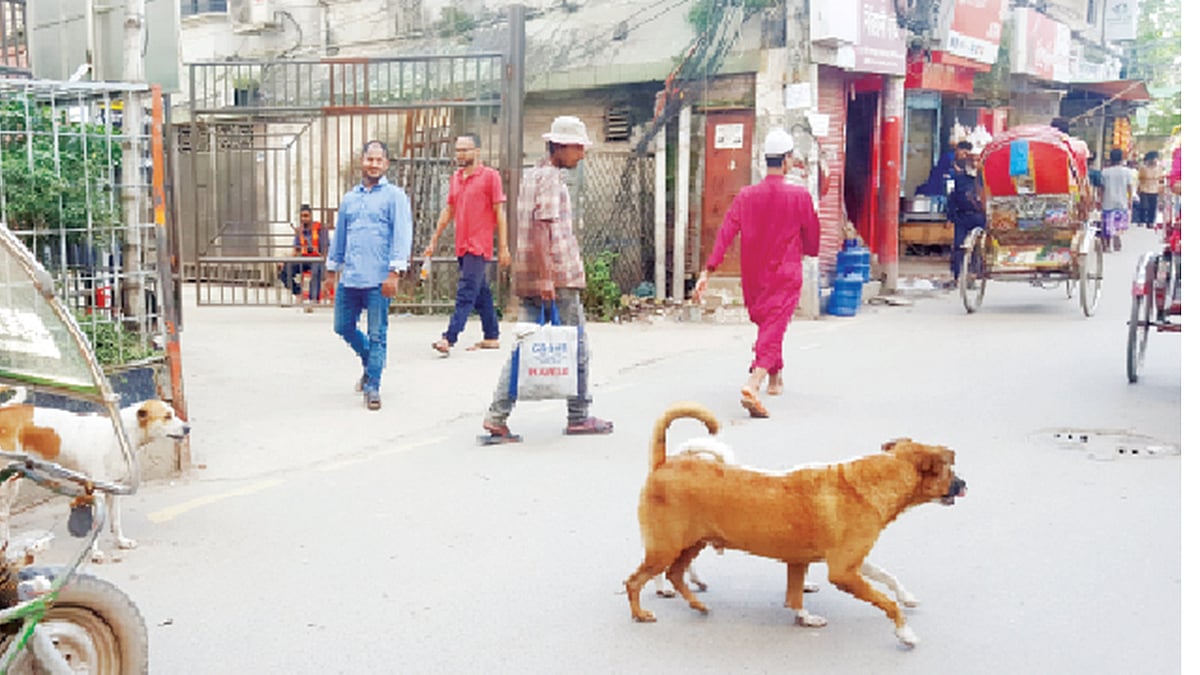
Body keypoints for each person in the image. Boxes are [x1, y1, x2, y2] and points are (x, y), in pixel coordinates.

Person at [480, 116, 612, 442]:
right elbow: (542, 228)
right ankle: (579, 415)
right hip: (555, 277)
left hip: (531, 275)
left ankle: (497, 415)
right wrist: (547, 278)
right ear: (561, 147)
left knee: (524, 348)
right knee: (578, 346)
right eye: (578, 148)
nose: (581, 155)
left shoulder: (532, 175)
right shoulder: (552, 179)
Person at [692, 128, 821, 419]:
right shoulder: (799, 196)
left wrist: (708, 270)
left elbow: (725, 232)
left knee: (770, 325)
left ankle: (775, 378)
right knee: (775, 326)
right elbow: (813, 242)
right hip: (786, 274)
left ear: (767, 161)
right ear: (787, 161)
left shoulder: (745, 196)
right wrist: (806, 247)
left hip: (753, 277)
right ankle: (755, 381)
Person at [322, 140, 414, 411]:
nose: (373, 164)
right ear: (362, 162)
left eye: (379, 160)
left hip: (379, 279)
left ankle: (373, 385)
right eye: (369, 159)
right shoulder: (351, 198)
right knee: (342, 326)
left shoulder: (395, 197)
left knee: (378, 334)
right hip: (350, 277)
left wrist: (394, 272)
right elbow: (340, 236)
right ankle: (370, 360)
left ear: (385, 164)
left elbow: (402, 235)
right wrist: (331, 269)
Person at [424, 133, 510, 355]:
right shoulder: (456, 178)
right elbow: (449, 210)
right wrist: (434, 238)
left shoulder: (490, 177)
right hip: (462, 245)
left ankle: (449, 337)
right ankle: (491, 336)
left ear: (477, 151)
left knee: (466, 291)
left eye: (465, 150)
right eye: (458, 150)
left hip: (479, 246)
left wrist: (503, 247)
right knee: (481, 291)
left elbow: (499, 213)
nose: (460, 154)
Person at [946, 140, 985, 285]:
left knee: (978, 248)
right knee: (958, 246)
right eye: (972, 160)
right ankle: (957, 275)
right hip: (961, 216)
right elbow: (952, 198)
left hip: (979, 217)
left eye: (977, 160)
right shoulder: (959, 177)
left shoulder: (983, 178)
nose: (974, 163)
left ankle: (975, 274)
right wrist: (950, 217)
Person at [279, 204, 328, 311]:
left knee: (316, 272)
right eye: (302, 216)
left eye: (306, 216)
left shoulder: (320, 229)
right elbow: (296, 249)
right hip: (303, 258)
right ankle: (298, 293)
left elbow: (325, 247)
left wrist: (324, 259)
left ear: (311, 216)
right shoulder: (299, 230)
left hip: (317, 258)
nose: (304, 219)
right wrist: (286, 261)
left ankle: (313, 300)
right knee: (284, 271)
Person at [1099, 148, 1135, 252]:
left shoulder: (1105, 172)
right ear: (1122, 158)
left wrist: (1100, 200)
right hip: (1122, 200)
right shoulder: (1127, 172)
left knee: (1107, 223)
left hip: (1108, 200)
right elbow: (1129, 187)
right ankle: (1117, 235)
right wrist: (1130, 200)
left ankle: (1107, 244)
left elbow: (1102, 188)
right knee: (1118, 221)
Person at [1135, 151, 1163, 228]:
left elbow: (1161, 180)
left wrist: (1161, 191)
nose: (1155, 161)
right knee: (1144, 206)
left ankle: (1150, 221)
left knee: (1152, 207)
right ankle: (1141, 219)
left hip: (1154, 189)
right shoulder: (1143, 168)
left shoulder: (1159, 168)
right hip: (1144, 188)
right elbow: (1140, 178)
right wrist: (1138, 188)